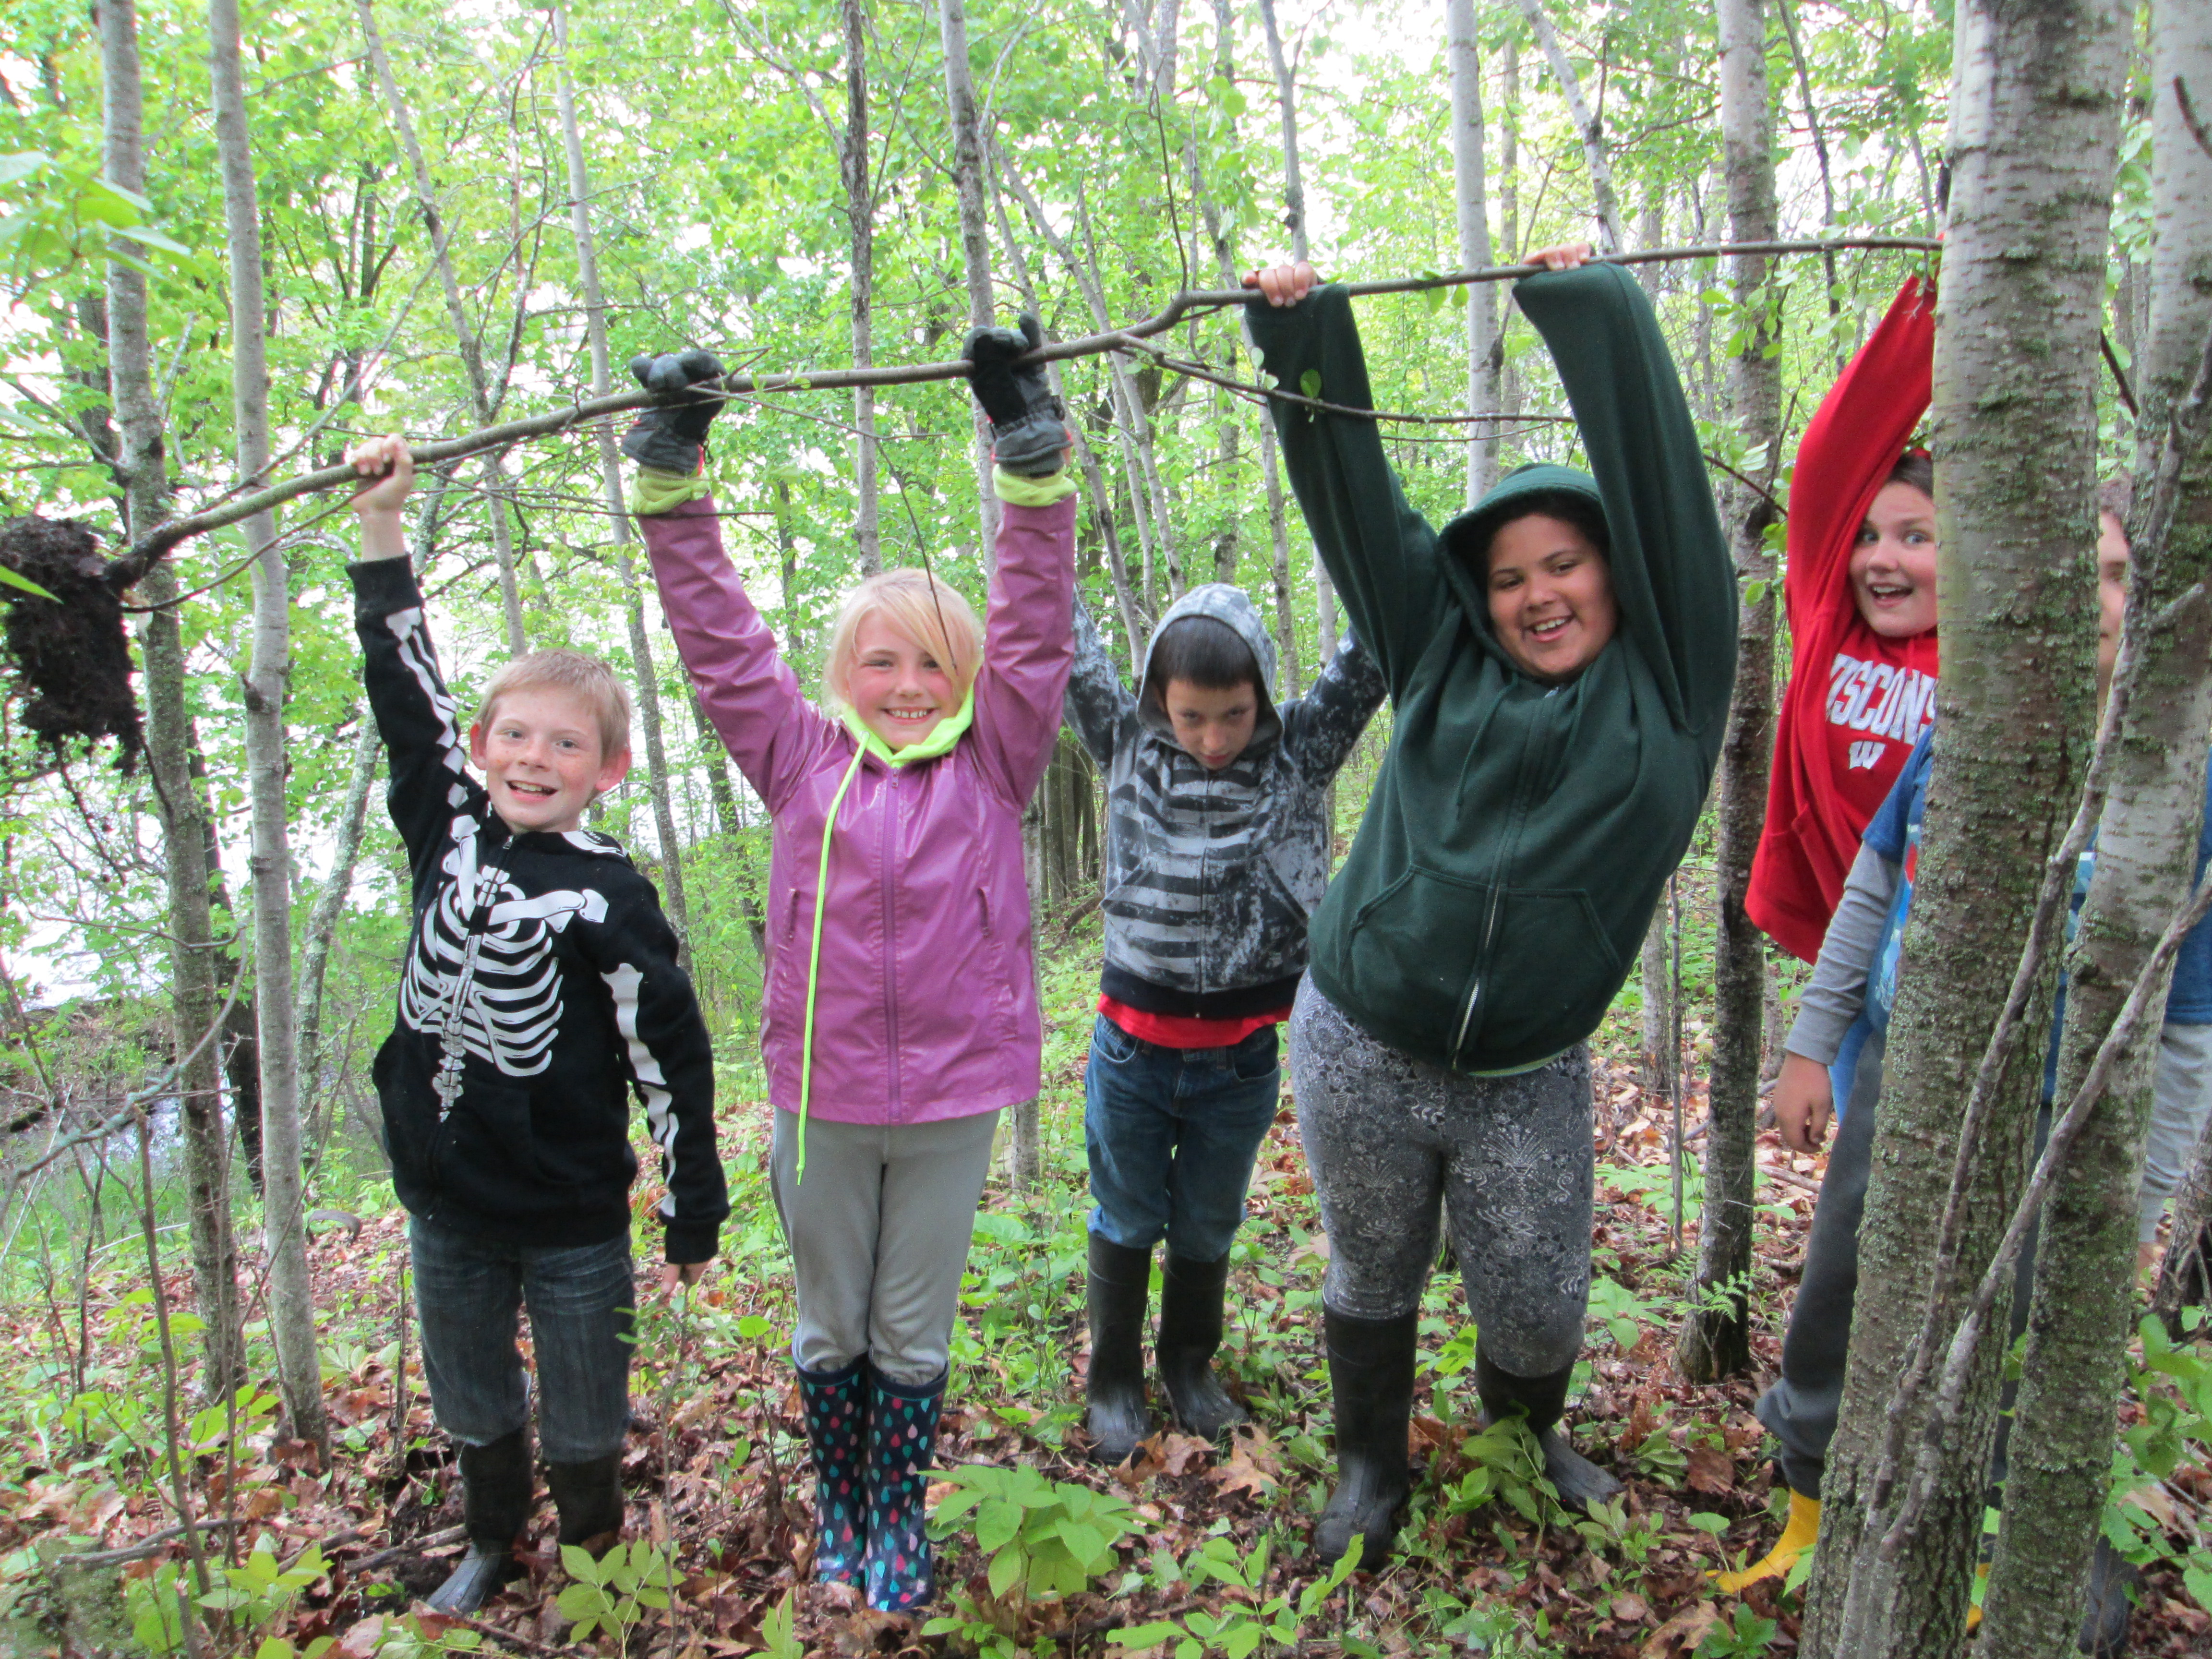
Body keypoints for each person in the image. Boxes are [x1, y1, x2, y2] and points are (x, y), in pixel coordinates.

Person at [1244, 245, 1738, 1566]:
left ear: (1620, 574)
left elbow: (1666, 486)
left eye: (1566, 563)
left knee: (1535, 1302)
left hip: (1526, 1069)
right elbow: (1354, 499)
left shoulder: (1676, 690)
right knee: (1375, 1271)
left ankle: (1527, 1437)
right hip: (1360, 1033)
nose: (1537, 594)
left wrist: (1589, 309)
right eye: (1510, 575)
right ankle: (1369, 1474)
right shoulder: (1438, 652)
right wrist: (1303, 337)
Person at [618, 321, 1073, 1613]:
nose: (911, 682)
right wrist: (673, 467)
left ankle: (899, 1523)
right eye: (883, 660)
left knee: (910, 1335)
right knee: (831, 1330)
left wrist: (1028, 454)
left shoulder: (1000, 759)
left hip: (946, 1111)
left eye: (935, 661)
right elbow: (716, 639)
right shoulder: (795, 758)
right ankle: (843, 1512)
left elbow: (1037, 629)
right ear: (840, 676)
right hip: (819, 1107)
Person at [1730, 484, 2212, 1658]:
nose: (2090, 603)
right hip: (1903, 1074)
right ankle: (1808, 1509)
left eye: (2117, 577)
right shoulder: (1966, 730)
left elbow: (2192, 1018)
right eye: (2071, 570)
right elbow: (1871, 889)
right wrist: (1810, 1045)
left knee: (2015, 1348)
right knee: (1839, 1293)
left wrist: (2139, 1194)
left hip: (2063, 1128)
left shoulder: (2184, 788)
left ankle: (2004, 1553)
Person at [342, 436, 729, 1614]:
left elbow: (670, 1049)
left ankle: (597, 1556)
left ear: (608, 769)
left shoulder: (610, 895)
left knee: (584, 1402)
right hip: (446, 1197)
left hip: (569, 1213)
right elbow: (406, 693)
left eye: (566, 743)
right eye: (515, 735)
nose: (535, 756)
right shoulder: (446, 831)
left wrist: (690, 1199)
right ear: (481, 749)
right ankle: (489, 1537)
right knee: (467, 1388)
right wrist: (381, 531)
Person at [1064, 584, 1384, 1462]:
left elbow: (1373, 648)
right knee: (1126, 1214)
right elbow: (1062, 626)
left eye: (1235, 715)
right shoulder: (1125, 743)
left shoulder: (1300, 754)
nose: (1213, 738)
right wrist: (1034, 479)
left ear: (1264, 698)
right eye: (1192, 716)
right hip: (1131, 1053)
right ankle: (1115, 1377)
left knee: (1208, 1222)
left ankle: (1187, 1366)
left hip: (1240, 1063)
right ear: (1158, 703)